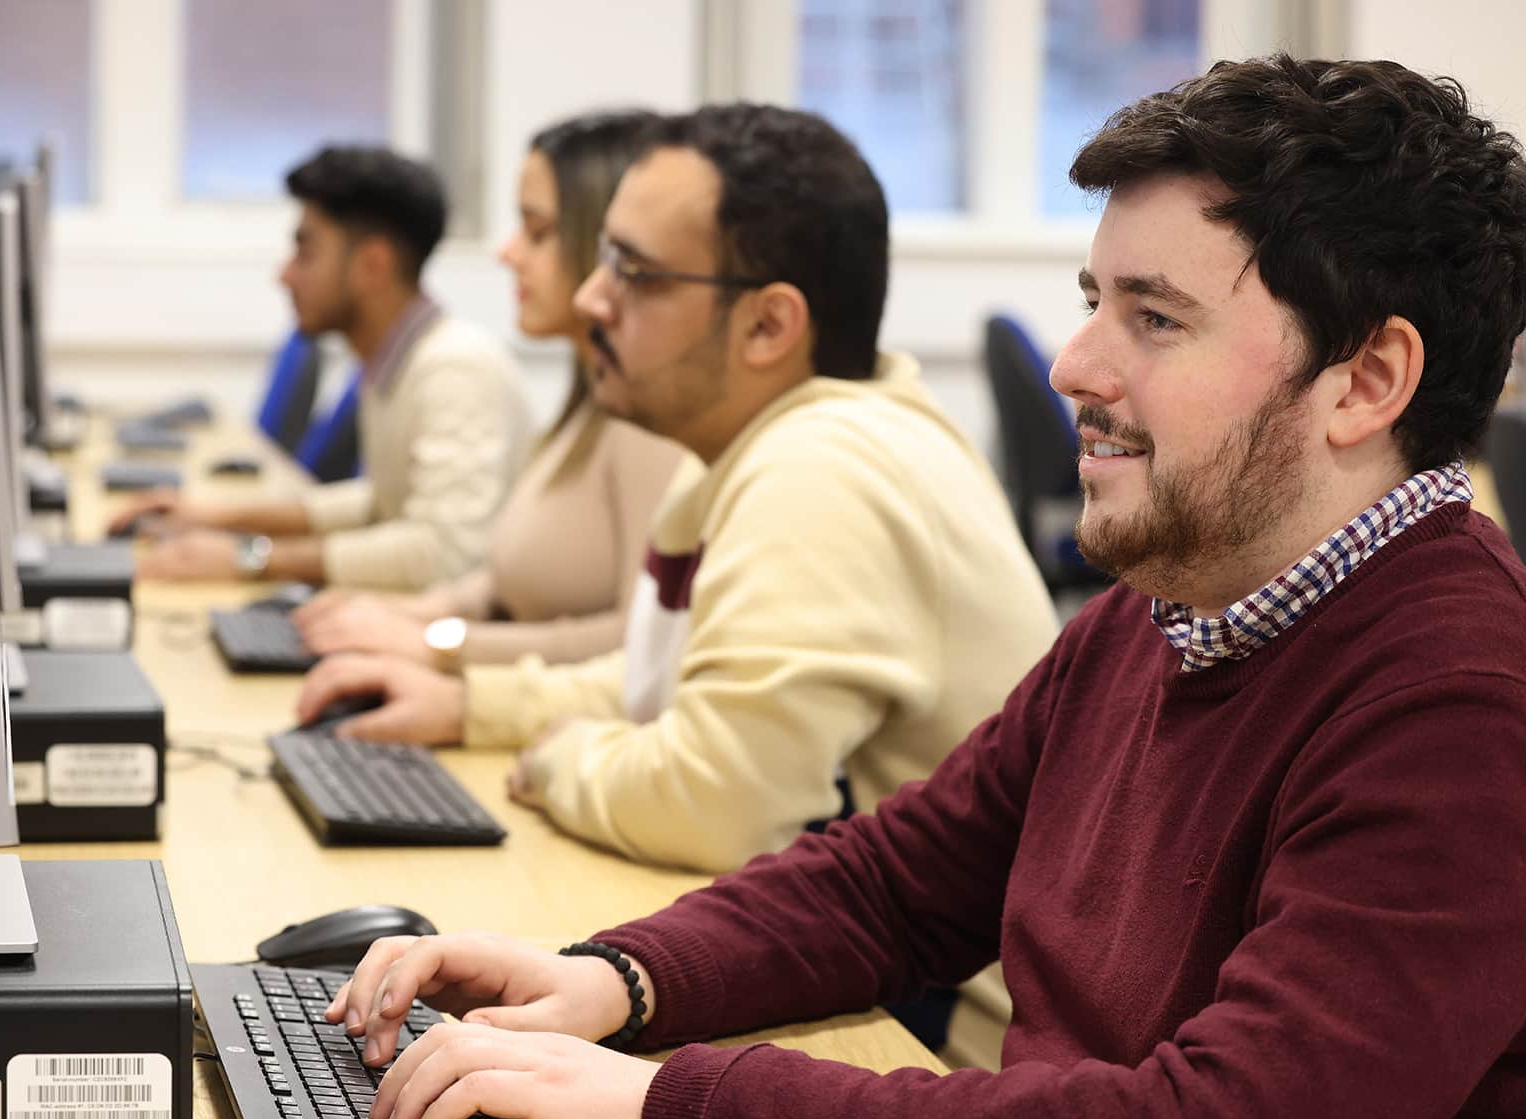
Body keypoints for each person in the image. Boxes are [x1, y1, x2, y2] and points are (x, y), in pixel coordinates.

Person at [318, 57, 1526, 1119]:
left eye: (1153, 318)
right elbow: (892, 885)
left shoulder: (1461, 707)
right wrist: (612, 980)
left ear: (1367, 383)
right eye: (1093, 300)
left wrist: (650, 1103)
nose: (1075, 365)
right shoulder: (1172, 605)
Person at [294, 104, 1058, 872]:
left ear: (767, 326)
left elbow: (714, 808)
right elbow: (658, 685)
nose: (595, 298)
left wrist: (561, 760)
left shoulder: (825, 468)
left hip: (936, 993)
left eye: (634, 272)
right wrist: (473, 709)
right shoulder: (741, 445)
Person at [292, 111, 687, 668]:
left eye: (538, 231)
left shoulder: (651, 423)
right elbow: (501, 582)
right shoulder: (586, 401)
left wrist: (436, 644)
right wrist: (417, 615)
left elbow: (638, 645)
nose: (508, 253)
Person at [114, 145, 531, 589]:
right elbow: (384, 504)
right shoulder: (400, 358)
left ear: (372, 265)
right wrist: (218, 517)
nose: (285, 275)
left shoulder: (454, 370)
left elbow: (446, 553)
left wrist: (250, 557)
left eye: (306, 253)